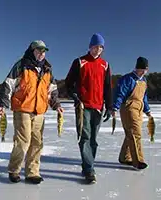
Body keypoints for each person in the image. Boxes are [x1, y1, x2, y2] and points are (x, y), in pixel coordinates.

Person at [0, 40, 63, 184]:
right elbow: (8, 84)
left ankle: (32, 172)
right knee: (23, 141)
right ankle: (14, 170)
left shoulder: (47, 69)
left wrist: (56, 105)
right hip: (22, 109)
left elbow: (52, 90)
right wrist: (3, 103)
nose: (41, 53)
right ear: (32, 51)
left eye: (43, 51)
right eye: (38, 50)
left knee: (37, 142)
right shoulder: (21, 65)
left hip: (39, 111)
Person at [65, 33, 112, 184]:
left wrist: (110, 106)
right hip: (83, 106)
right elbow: (68, 83)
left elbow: (107, 87)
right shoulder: (80, 62)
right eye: (95, 46)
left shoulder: (105, 65)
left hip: (98, 106)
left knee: (93, 139)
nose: (97, 49)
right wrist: (75, 97)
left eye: (100, 47)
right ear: (90, 46)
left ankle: (87, 166)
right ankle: (90, 169)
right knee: (84, 137)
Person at [112, 56, 152, 170]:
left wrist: (147, 110)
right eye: (142, 69)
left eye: (146, 69)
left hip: (139, 109)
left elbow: (144, 97)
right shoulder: (128, 79)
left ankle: (124, 157)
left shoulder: (144, 81)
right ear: (137, 68)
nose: (144, 71)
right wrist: (115, 107)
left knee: (130, 133)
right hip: (128, 108)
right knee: (135, 133)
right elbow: (120, 94)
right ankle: (138, 161)